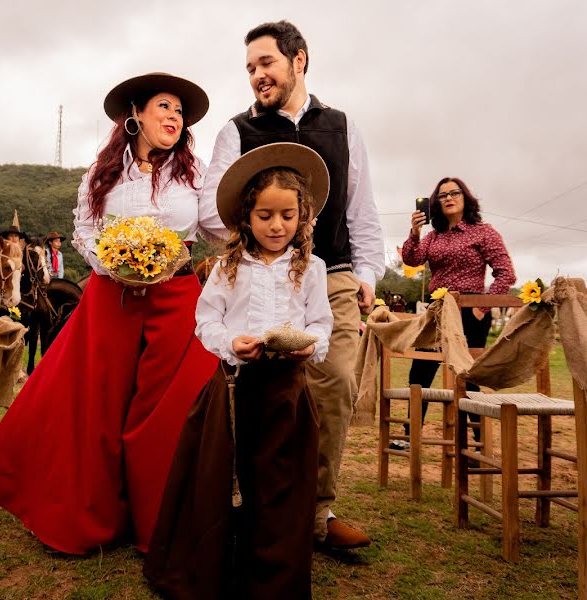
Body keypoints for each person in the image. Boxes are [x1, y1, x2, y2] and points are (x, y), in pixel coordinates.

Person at [0, 72, 228, 554]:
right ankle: (91, 519)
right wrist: (112, 260)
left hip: (177, 297)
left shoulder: (196, 173)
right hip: (113, 298)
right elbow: (85, 230)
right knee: (98, 407)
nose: (174, 117)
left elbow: (217, 226)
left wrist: (261, 222)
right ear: (135, 115)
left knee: (168, 408)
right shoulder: (102, 174)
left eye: (180, 112)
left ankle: (159, 525)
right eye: (164, 107)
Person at [200, 20, 384, 550]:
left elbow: (361, 208)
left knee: (335, 384)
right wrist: (264, 239)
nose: (257, 75)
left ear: (298, 60)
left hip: (334, 273)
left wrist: (368, 272)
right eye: (250, 68)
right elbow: (216, 211)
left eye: (266, 63)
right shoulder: (236, 130)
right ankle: (253, 504)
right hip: (260, 272)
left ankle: (316, 512)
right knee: (255, 393)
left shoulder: (343, 126)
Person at [145, 143, 332, 599]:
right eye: (265, 215)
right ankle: (217, 572)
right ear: (247, 217)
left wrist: (309, 347)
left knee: (279, 486)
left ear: (302, 216)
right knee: (224, 481)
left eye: (287, 215)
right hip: (231, 389)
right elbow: (205, 321)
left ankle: (273, 580)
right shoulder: (227, 267)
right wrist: (231, 343)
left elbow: (322, 325)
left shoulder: (312, 267)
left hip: (286, 392)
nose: (276, 225)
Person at [394, 177, 516, 451]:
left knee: (469, 378)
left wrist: (481, 306)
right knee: (420, 372)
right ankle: (409, 434)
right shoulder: (432, 236)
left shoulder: (484, 232)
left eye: (454, 193)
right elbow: (412, 259)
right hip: (438, 313)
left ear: (466, 198)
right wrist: (414, 232)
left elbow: (506, 272)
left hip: (470, 316)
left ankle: (478, 441)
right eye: (442, 195)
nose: (448, 198)